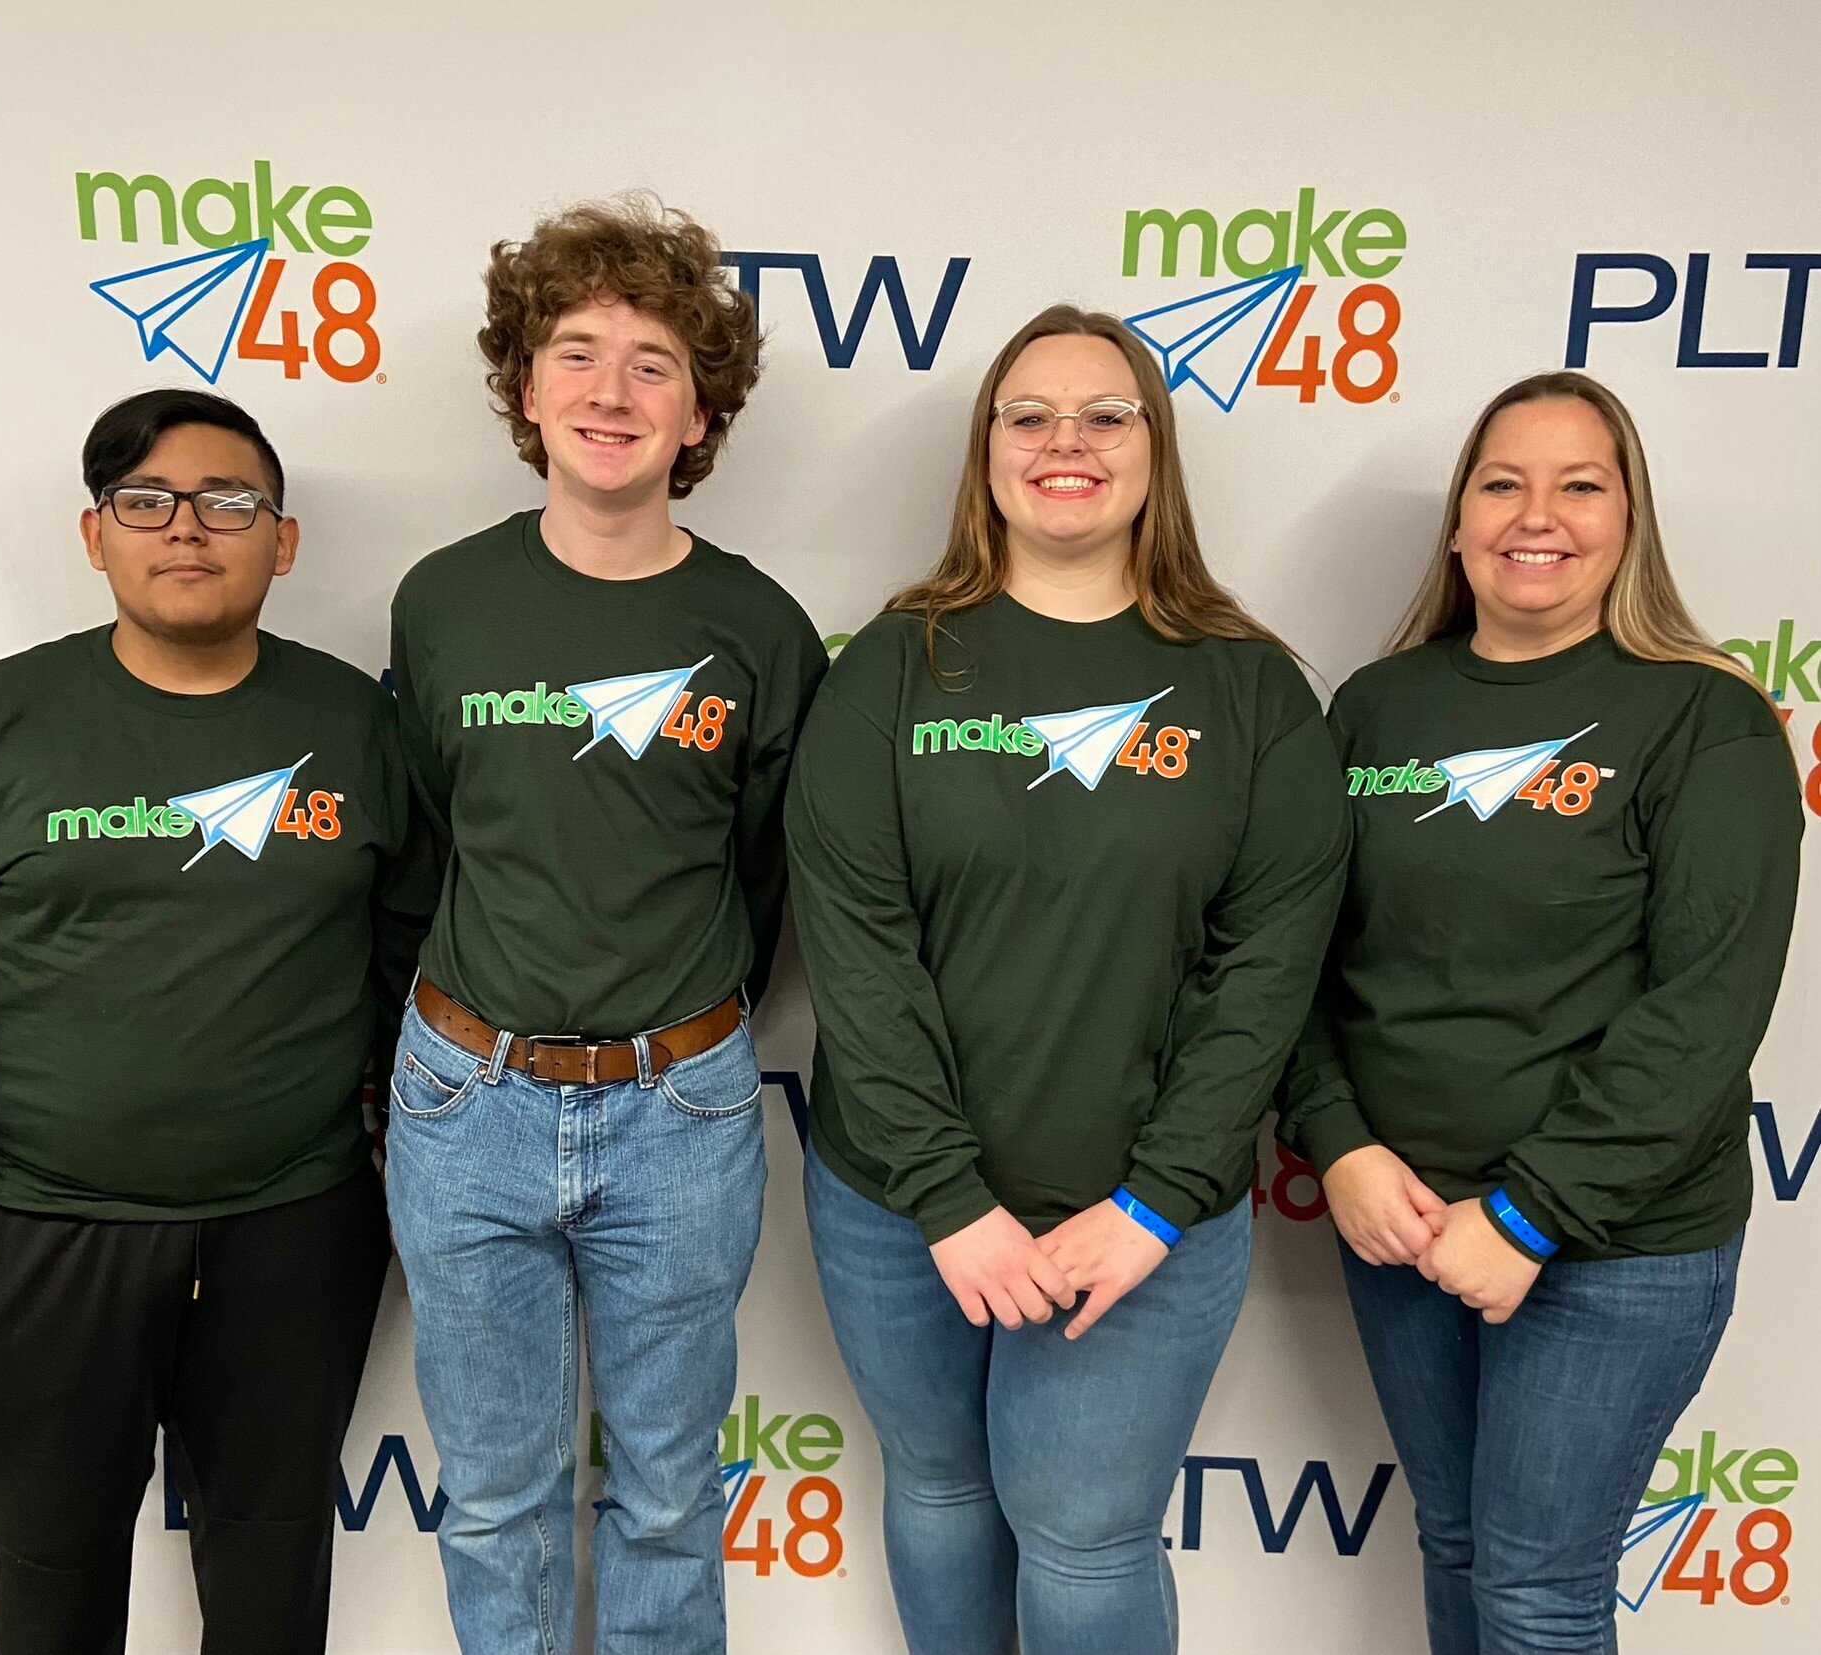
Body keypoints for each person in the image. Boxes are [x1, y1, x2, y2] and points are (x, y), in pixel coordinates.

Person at [786, 305, 1349, 1655]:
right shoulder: (894, 667)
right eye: (1027, 414)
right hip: (895, 1204)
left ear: (1152, 449)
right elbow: (857, 943)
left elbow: (1265, 970)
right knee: (935, 1484)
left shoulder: (1251, 690)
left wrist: (1152, 1198)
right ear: (984, 452)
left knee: (1085, 1532)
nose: (1065, 442)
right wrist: (942, 1194)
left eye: (1104, 413)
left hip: (1143, 1214)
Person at [1279, 370, 1802, 1655]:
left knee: (1536, 1591)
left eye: (1582, 484)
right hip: (1401, 1228)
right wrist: (1337, 1142)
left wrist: (1527, 1215)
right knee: (1458, 1549)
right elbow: (1290, 959)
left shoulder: (1705, 717)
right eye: (1503, 481)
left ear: (1632, 518)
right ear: (1459, 520)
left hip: (1612, 1246)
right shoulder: (1378, 708)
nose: (1539, 514)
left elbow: (1704, 1009)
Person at [385, 195, 828, 1654]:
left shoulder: (760, 628)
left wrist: (677, 1021)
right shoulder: (443, 600)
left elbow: (765, 871)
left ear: (700, 412)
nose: (610, 391)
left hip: (682, 1107)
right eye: (575, 352)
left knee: (665, 1493)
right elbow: (434, 835)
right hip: (465, 1096)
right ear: (524, 387)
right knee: (500, 1493)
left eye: (652, 362)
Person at [0, 388, 429, 1655]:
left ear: (285, 538)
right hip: (40, 1237)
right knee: (50, 1590)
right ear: (97, 537)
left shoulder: (355, 723)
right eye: (145, 502)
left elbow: (412, 951)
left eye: (229, 501)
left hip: (293, 1232)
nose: (187, 527)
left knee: (270, 1593)